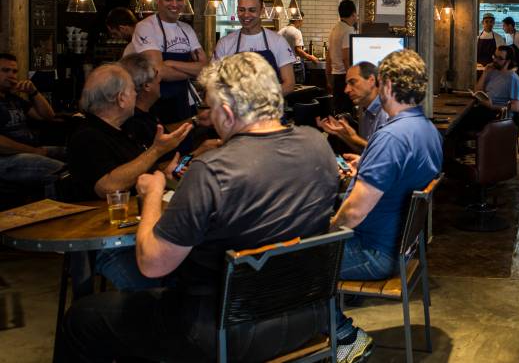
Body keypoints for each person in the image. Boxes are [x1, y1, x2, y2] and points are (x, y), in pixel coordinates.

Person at [63, 53, 340, 362]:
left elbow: (153, 263)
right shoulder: (318, 145)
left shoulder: (212, 170)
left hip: (224, 331)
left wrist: (153, 194)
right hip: (308, 317)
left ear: (225, 113)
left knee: (82, 317)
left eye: (208, 106)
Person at [329, 49, 443, 361]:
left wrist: (321, 234)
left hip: (376, 252)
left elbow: (352, 213)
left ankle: (344, 336)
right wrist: (366, 166)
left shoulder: (391, 136)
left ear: (388, 86)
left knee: (290, 262)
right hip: (403, 248)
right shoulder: (428, 131)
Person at [66, 64, 192, 290]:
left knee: (193, 270)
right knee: (163, 289)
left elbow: (135, 176)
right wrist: (156, 150)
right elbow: (107, 186)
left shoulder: (124, 131)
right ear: (121, 99)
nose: (136, 94)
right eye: (132, 90)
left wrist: (163, 174)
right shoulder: (86, 136)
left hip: (141, 230)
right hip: (110, 241)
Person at [127, 0, 207, 124]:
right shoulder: (146, 27)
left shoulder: (187, 30)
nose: (174, 4)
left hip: (183, 101)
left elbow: (205, 68)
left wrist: (170, 63)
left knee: (185, 143)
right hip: (155, 103)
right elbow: (158, 72)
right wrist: (191, 71)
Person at [0, 52, 65, 194]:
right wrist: (34, 151)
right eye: (5, 70)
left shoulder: (14, 99)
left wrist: (33, 92)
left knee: (77, 154)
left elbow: (48, 115)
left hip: (30, 150)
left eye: (14, 71)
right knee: (62, 172)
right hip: (6, 159)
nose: (11, 75)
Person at [214, 0, 296, 94]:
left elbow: (289, 84)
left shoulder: (278, 42)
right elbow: (214, 81)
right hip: (235, 108)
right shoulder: (225, 43)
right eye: (241, 10)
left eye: (252, 10)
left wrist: (261, 98)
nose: (246, 15)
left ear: (262, 11)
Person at [317, 61, 388, 151]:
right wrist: (341, 134)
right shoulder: (365, 111)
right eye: (347, 84)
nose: (346, 90)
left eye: (352, 82)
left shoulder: (387, 113)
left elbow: (384, 156)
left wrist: (354, 137)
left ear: (371, 80)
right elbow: (364, 151)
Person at [118, 53, 163, 152]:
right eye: (156, 74)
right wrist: (200, 150)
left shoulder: (148, 110)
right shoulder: (136, 124)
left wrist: (195, 121)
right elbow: (160, 165)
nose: (160, 78)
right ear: (147, 85)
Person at [475, 45, 519, 123]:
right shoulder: (492, 71)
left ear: (508, 61)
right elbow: (477, 91)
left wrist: (492, 107)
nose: (495, 60)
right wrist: (485, 72)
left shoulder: (513, 79)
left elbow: (516, 107)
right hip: (484, 109)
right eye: (495, 56)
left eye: (500, 58)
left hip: (498, 115)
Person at [327, 0, 358, 115]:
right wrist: (352, 79)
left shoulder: (334, 29)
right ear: (354, 14)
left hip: (336, 77)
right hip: (344, 77)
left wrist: (328, 78)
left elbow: (328, 56)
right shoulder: (348, 30)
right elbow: (346, 57)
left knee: (339, 112)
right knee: (347, 114)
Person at [279, 13, 317, 85]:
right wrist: (311, 57)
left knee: (286, 88)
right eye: (302, 20)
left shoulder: (280, 31)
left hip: (282, 65)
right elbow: (298, 51)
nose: (302, 23)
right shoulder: (296, 32)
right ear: (298, 20)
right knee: (298, 90)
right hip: (295, 65)